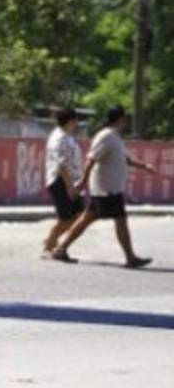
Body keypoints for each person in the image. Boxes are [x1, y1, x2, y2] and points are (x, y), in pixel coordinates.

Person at [51, 105, 156, 268]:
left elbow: (125, 160)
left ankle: (61, 248)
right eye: (124, 118)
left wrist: (144, 166)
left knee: (86, 219)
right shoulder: (106, 136)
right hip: (106, 189)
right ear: (120, 119)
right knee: (120, 219)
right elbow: (91, 159)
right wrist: (83, 181)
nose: (125, 122)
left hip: (108, 188)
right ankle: (130, 257)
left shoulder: (114, 137)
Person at [42, 108, 85, 257]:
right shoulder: (60, 138)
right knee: (66, 218)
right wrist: (70, 187)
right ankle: (49, 245)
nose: (77, 123)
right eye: (75, 120)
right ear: (70, 120)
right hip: (61, 182)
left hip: (71, 182)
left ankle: (53, 244)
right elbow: (61, 165)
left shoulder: (66, 136)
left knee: (79, 216)